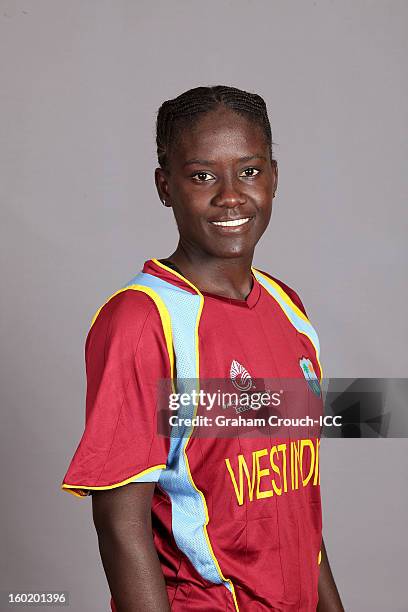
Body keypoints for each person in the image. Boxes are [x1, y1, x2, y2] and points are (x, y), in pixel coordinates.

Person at [60, 85, 344, 611]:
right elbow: (121, 525)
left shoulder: (289, 308)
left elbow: (294, 499)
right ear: (165, 187)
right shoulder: (142, 320)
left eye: (250, 171)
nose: (231, 195)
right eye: (202, 176)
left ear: (274, 178)